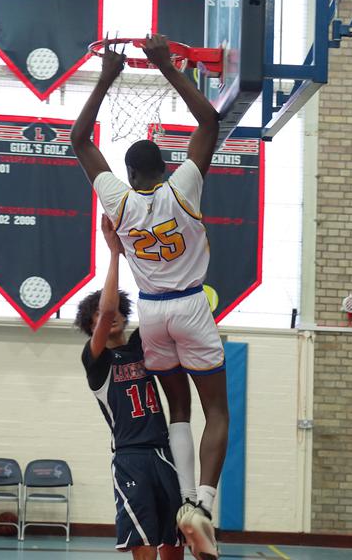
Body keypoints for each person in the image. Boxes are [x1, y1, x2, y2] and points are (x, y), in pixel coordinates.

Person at [71, 33, 225, 560]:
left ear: (130, 173)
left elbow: (79, 139)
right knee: (218, 412)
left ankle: (184, 501)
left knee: (177, 408)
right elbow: (209, 123)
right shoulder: (184, 185)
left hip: (153, 312)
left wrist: (108, 76)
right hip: (190, 304)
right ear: (165, 166)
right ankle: (200, 503)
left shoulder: (118, 198)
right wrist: (166, 67)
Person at [75, 216, 183, 560]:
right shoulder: (96, 361)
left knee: (174, 539)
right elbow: (106, 310)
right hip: (130, 456)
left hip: (164, 452)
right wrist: (114, 254)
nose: (109, 316)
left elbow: (157, 302)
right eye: (97, 317)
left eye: (115, 310)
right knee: (144, 543)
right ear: (91, 326)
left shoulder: (141, 344)